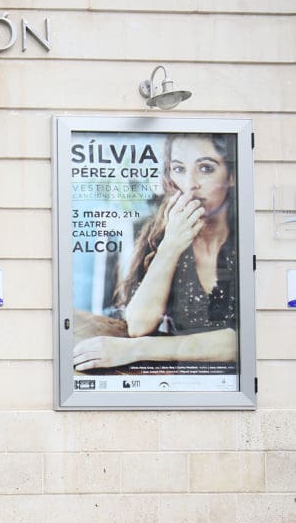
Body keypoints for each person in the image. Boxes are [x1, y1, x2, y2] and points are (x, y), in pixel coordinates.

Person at [73, 133, 238, 372]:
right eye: (178, 168)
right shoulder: (164, 231)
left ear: (231, 176)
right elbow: (138, 325)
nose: (190, 183)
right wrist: (170, 246)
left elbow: (240, 342)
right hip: (174, 380)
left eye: (205, 168)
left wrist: (135, 349)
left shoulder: (242, 238)